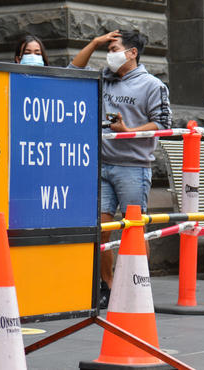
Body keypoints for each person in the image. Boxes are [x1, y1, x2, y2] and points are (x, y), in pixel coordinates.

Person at [70, 29, 171, 309]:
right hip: (101, 165)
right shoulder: (104, 78)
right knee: (102, 229)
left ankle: (138, 285)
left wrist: (128, 131)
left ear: (132, 53)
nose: (108, 53)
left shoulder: (152, 85)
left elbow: (162, 124)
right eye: (107, 48)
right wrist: (94, 42)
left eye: (113, 48)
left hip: (133, 167)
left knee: (133, 229)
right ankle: (108, 285)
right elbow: (72, 70)